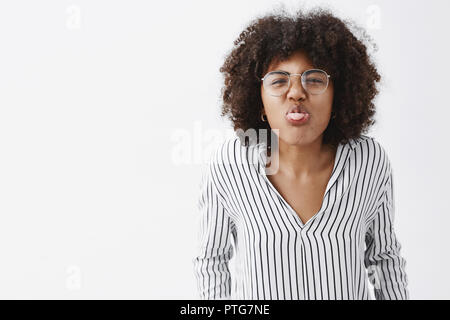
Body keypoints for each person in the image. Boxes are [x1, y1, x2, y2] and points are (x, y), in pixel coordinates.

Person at [192, 6, 409, 300]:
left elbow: (383, 258)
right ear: (257, 99)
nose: (296, 92)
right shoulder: (228, 165)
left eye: (315, 80)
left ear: (339, 94)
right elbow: (212, 261)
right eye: (279, 80)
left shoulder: (369, 162)